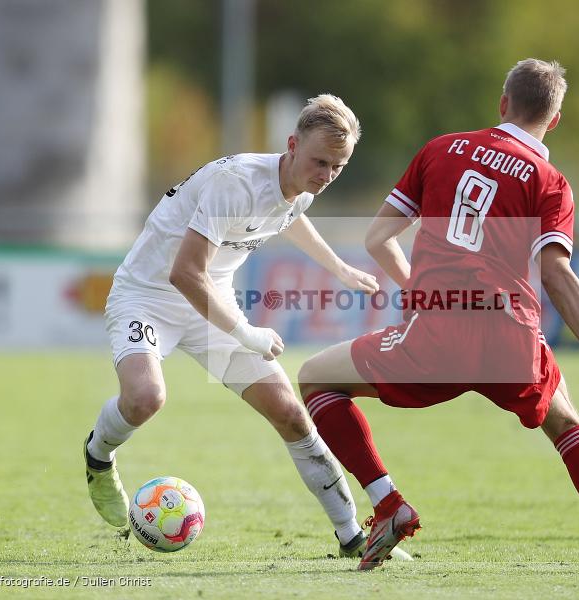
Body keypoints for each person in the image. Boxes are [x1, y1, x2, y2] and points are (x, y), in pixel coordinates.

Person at [297, 59, 579, 574]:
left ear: (503, 104)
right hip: (508, 336)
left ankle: (387, 502)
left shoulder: (440, 149)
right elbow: (556, 273)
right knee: (567, 423)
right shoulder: (550, 180)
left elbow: (378, 238)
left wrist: (420, 291)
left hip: (436, 334)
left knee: (315, 379)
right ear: (554, 120)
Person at [83, 94, 410, 560]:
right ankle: (98, 456)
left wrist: (339, 268)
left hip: (211, 302)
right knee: (145, 398)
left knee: (290, 413)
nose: (326, 175)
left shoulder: (301, 184)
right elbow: (184, 273)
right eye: (320, 162)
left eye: (338, 167)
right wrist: (245, 333)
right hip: (148, 297)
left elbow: (291, 217)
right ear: (291, 145)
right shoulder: (234, 184)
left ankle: (352, 536)